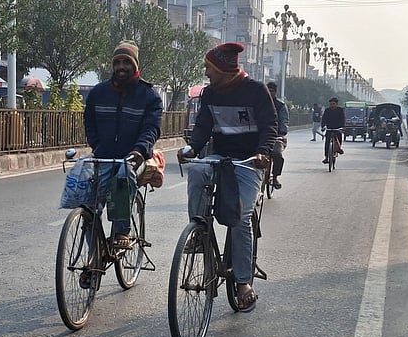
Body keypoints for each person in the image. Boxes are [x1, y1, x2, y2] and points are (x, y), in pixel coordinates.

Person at [179, 42, 276, 311]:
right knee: (197, 169)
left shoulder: (256, 91)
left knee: (241, 217)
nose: (206, 73)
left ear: (223, 69)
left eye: (209, 68)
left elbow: (270, 126)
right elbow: (203, 126)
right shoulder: (210, 94)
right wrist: (192, 148)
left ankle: (244, 281)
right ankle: (198, 230)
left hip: (248, 162)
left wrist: (262, 152)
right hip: (220, 157)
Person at [84, 40, 164, 249]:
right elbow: (90, 123)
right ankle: (93, 261)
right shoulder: (98, 93)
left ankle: (121, 231)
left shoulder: (149, 96)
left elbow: (151, 129)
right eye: (117, 62)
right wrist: (96, 146)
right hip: (103, 156)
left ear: (135, 65)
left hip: (133, 158)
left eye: (126, 62)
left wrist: (139, 150)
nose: (121, 67)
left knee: (122, 176)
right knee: (87, 206)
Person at [266, 82, 289, 189]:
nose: (270, 93)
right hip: (259, 135)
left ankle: (275, 177)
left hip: (276, 136)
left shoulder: (281, 106)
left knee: (277, 155)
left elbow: (284, 120)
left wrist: (282, 133)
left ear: (275, 92)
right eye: (268, 90)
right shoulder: (258, 103)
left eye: (272, 91)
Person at [320, 97, 345, 163]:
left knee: (339, 139)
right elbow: (324, 119)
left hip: (337, 129)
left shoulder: (340, 110)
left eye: (333, 104)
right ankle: (326, 157)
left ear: (336, 104)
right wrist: (323, 126)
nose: (332, 105)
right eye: (331, 104)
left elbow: (343, 119)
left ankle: (339, 149)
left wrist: (343, 127)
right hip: (329, 129)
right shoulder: (327, 110)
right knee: (327, 143)